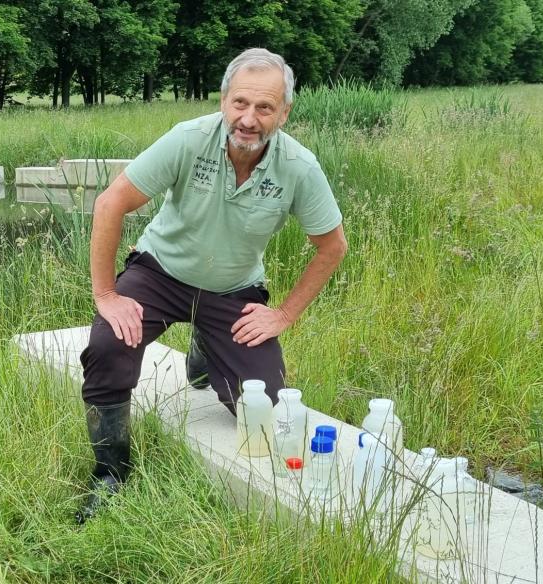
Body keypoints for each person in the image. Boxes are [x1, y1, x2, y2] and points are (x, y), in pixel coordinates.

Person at [75, 48, 348, 523]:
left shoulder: (299, 167)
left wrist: (284, 314)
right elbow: (109, 203)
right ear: (223, 101)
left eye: (265, 108)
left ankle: (206, 346)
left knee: (261, 405)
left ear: (284, 112)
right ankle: (111, 473)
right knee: (108, 344)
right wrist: (106, 295)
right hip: (161, 273)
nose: (249, 119)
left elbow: (333, 246)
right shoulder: (188, 139)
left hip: (232, 290)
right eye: (240, 103)